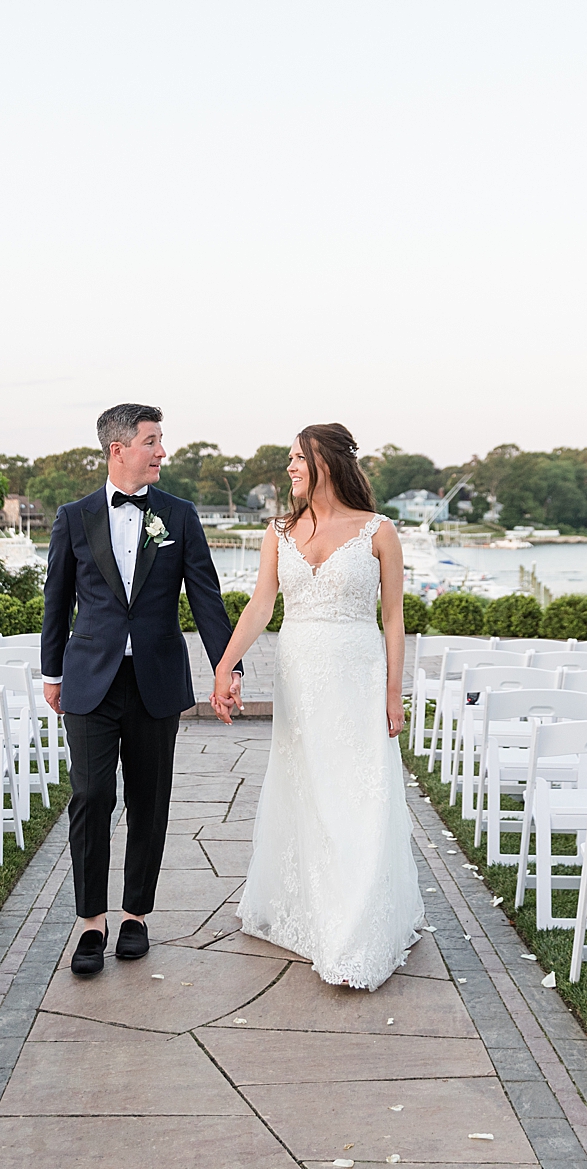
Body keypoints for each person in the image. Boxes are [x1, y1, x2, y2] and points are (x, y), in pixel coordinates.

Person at [211, 423, 424, 989]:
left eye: (295, 459)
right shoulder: (278, 531)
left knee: (357, 792)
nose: (288, 469)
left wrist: (392, 690)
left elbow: (394, 620)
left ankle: (355, 923)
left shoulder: (379, 531)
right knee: (307, 787)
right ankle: (309, 907)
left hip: (357, 672)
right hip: (300, 674)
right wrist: (226, 664)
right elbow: (261, 605)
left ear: (323, 461)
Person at [42, 403, 243, 976]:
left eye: (161, 441)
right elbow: (56, 600)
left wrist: (226, 667)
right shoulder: (74, 516)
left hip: (155, 678)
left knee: (149, 800)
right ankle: (89, 922)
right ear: (119, 449)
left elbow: (206, 595)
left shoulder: (179, 516)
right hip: (89, 681)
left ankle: (134, 916)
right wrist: (51, 674)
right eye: (153, 441)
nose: (161, 452)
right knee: (90, 797)